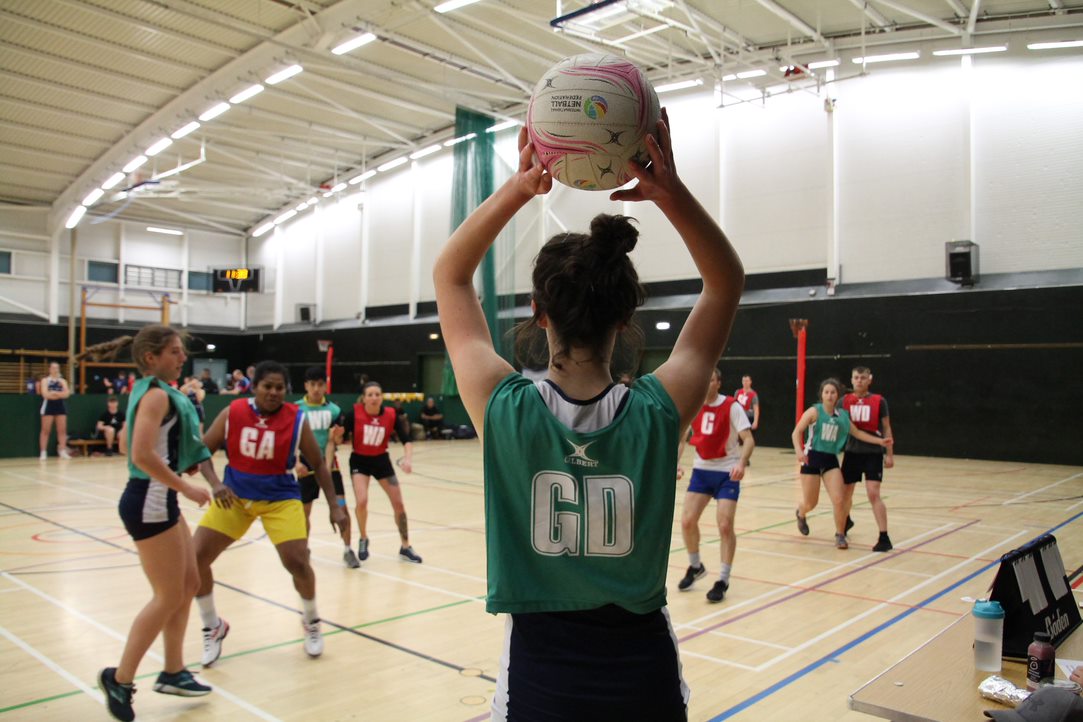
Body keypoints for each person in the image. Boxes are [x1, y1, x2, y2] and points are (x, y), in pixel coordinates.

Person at [433, 113, 743, 719]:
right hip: (643, 677)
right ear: (625, 319)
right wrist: (670, 192)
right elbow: (724, 282)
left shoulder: (503, 406)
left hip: (539, 678)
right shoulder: (659, 409)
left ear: (538, 312)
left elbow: (451, 275)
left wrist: (519, 188)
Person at [86, 325, 230, 722]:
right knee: (167, 595)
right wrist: (185, 486)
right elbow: (140, 454)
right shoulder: (154, 396)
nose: (182, 358)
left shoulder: (148, 393)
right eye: (174, 352)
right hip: (149, 501)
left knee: (189, 584)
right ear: (152, 358)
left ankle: (172, 671)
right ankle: (120, 677)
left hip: (156, 498)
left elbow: (124, 445)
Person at [193, 361, 347, 666]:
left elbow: (318, 463)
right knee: (195, 557)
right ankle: (213, 625)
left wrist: (335, 506)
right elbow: (202, 453)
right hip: (235, 497)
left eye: (279, 388)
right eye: (268, 386)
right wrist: (215, 484)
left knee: (297, 561)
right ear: (255, 387)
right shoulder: (233, 412)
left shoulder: (296, 418)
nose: (274, 392)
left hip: (280, 496)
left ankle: (312, 620)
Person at [675, 368, 754, 603]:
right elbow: (683, 438)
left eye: (710, 379)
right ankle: (695, 566)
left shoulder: (731, 406)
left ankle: (723, 579)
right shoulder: (694, 404)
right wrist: (676, 463)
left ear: (718, 383)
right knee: (688, 521)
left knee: (725, 525)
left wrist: (741, 462)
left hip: (726, 471)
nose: (705, 383)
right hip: (702, 470)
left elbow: (748, 439)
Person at [792, 378, 892, 549]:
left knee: (840, 500)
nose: (829, 395)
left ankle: (840, 534)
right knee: (811, 503)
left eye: (833, 392)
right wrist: (799, 452)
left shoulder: (842, 416)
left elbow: (858, 433)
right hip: (812, 459)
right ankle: (801, 513)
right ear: (822, 395)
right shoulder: (814, 412)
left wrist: (880, 441)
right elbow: (796, 432)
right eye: (826, 392)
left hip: (830, 460)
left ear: (837, 396)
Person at [339, 381, 422, 564]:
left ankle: (405, 546)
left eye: (377, 394)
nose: (374, 398)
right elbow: (341, 438)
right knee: (362, 501)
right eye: (370, 394)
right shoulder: (354, 414)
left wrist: (407, 459)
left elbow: (406, 440)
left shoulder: (391, 415)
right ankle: (363, 537)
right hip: (360, 460)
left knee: (398, 504)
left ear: (381, 396)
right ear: (364, 398)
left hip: (381, 461)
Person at [294, 366, 359, 568]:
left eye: (320, 384)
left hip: (330, 465)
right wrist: (295, 462)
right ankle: (304, 548)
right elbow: (292, 439)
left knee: (341, 506)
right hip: (305, 465)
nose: (315, 388)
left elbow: (332, 441)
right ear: (306, 386)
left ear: (325, 386)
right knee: (304, 511)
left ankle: (348, 549)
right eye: (312, 384)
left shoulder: (334, 411)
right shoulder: (295, 409)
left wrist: (326, 469)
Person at [841, 366, 896, 552]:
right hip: (851, 453)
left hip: (872, 453)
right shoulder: (844, 401)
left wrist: (889, 453)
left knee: (873, 493)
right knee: (845, 493)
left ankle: (884, 536)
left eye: (863, 378)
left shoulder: (879, 401)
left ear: (869, 380)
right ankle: (844, 521)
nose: (859, 381)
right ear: (851, 380)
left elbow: (887, 428)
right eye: (856, 377)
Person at [38, 361, 71, 460]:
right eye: (53, 368)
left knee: (62, 430)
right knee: (45, 430)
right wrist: (58, 394)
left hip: (60, 406)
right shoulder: (45, 380)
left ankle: (62, 450)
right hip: (48, 406)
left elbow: (66, 394)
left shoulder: (62, 381)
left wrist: (54, 393)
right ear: (50, 369)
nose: (55, 370)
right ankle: (43, 452)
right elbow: (45, 394)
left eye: (57, 368)